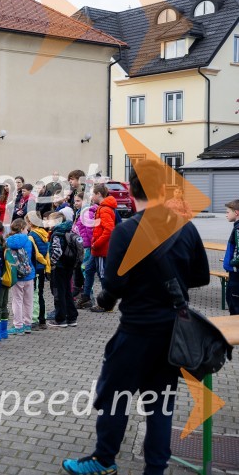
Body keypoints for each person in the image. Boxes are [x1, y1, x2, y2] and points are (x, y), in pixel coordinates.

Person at [62, 160, 209, 475]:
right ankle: (155, 469)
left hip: (137, 329)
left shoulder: (127, 230)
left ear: (131, 189)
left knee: (114, 397)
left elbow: (114, 283)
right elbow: (201, 276)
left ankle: (104, 460)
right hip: (172, 331)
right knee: (161, 405)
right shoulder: (185, 226)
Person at [46, 211, 79, 329]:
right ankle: (72, 317)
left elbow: (57, 251)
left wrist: (52, 262)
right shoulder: (70, 230)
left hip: (59, 266)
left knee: (59, 293)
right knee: (67, 292)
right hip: (69, 265)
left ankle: (61, 319)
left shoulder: (57, 234)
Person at [88, 184, 117, 313]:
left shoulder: (104, 209)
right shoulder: (103, 208)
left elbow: (109, 229)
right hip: (97, 248)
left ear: (99, 194)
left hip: (101, 249)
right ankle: (86, 297)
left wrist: (97, 243)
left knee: (103, 275)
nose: (91, 196)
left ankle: (107, 304)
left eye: (93, 194)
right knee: (89, 269)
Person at [6, 218, 36, 335]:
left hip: (17, 275)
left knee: (17, 301)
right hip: (29, 274)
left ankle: (18, 326)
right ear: (22, 229)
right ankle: (27, 324)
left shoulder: (8, 241)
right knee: (28, 300)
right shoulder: (29, 241)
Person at [26, 214, 50, 331]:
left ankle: (35, 319)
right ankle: (42, 319)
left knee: (34, 294)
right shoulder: (44, 234)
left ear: (30, 223)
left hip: (36, 267)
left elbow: (36, 253)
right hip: (42, 268)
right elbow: (46, 251)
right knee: (40, 293)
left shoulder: (31, 236)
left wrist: (43, 261)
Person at [76, 193, 99, 310]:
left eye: (78, 201)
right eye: (75, 201)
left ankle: (89, 297)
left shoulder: (87, 213)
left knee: (86, 270)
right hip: (84, 245)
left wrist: (91, 245)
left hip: (87, 247)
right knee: (85, 270)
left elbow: (90, 231)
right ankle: (87, 296)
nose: (75, 203)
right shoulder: (82, 212)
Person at [222, 200, 239, 315]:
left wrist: (231, 263)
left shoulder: (238, 229)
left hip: (236, 275)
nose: (226, 214)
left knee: (235, 307)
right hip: (234, 274)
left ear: (236, 212)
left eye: (228, 212)